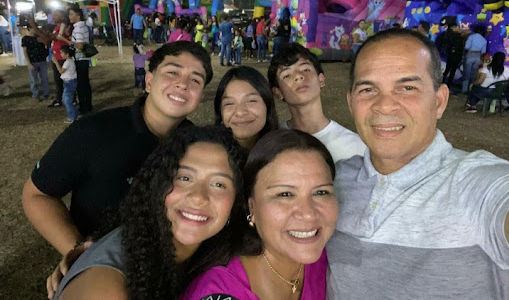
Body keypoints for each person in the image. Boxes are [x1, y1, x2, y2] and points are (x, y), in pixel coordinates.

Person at [326, 28, 509, 299]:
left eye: (407, 88)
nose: (384, 105)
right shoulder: (330, 182)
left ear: (439, 101)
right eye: (368, 89)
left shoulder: (473, 182)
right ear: (351, 103)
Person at [22, 41, 213, 257]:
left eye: (195, 80)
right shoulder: (94, 131)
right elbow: (37, 195)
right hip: (103, 264)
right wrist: (79, 254)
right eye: (172, 72)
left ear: (201, 97)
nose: (182, 84)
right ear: (149, 81)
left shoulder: (198, 146)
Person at [52, 125, 246, 300]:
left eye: (219, 184)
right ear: (157, 184)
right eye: (184, 178)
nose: (198, 197)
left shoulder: (215, 251)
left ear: (236, 201)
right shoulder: (107, 289)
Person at [181, 128, 339, 299]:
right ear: (252, 207)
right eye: (285, 194)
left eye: (321, 192)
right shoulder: (217, 292)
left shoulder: (331, 254)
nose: (308, 214)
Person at [268, 42, 366, 162]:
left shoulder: (356, 148)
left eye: (306, 69)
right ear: (278, 92)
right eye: (287, 75)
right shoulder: (271, 140)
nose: (298, 76)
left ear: (321, 79)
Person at [214, 65, 278, 154]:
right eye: (229, 103)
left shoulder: (285, 153)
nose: (240, 112)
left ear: (267, 105)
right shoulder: (207, 156)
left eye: (251, 101)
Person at [47, 9, 71, 108]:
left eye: (56, 15)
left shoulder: (64, 27)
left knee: (65, 79)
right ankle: (59, 98)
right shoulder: (56, 27)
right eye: (53, 15)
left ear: (63, 17)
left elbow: (56, 37)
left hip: (62, 57)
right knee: (58, 80)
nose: (54, 17)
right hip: (56, 57)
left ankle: (70, 98)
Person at [21, 23, 50, 101]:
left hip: (42, 60)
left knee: (44, 78)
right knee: (33, 79)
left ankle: (45, 93)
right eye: (34, 28)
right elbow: (25, 51)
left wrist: (44, 42)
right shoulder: (25, 39)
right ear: (29, 29)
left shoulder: (40, 37)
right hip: (33, 61)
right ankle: (35, 94)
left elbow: (47, 45)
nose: (35, 30)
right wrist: (28, 62)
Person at [51, 45, 78, 123]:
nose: (61, 55)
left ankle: (72, 117)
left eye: (62, 53)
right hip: (69, 82)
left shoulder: (68, 62)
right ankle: (74, 114)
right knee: (66, 99)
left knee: (67, 101)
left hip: (69, 83)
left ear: (67, 54)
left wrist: (56, 62)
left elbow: (61, 71)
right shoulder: (70, 61)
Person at [462, 24, 487, 93]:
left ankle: (464, 89)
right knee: (473, 73)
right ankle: (471, 88)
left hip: (470, 54)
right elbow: (483, 51)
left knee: (466, 72)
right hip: (478, 56)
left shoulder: (471, 36)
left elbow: (467, 46)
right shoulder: (484, 40)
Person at [441, 21, 464, 91]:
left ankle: (442, 82)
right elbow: (460, 47)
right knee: (452, 71)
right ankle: (448, 85)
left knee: (447, 69)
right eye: (457, 26)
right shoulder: (457, 36)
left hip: (450, 55)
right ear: (453, 27)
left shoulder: (447, 34)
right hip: (456, 55)